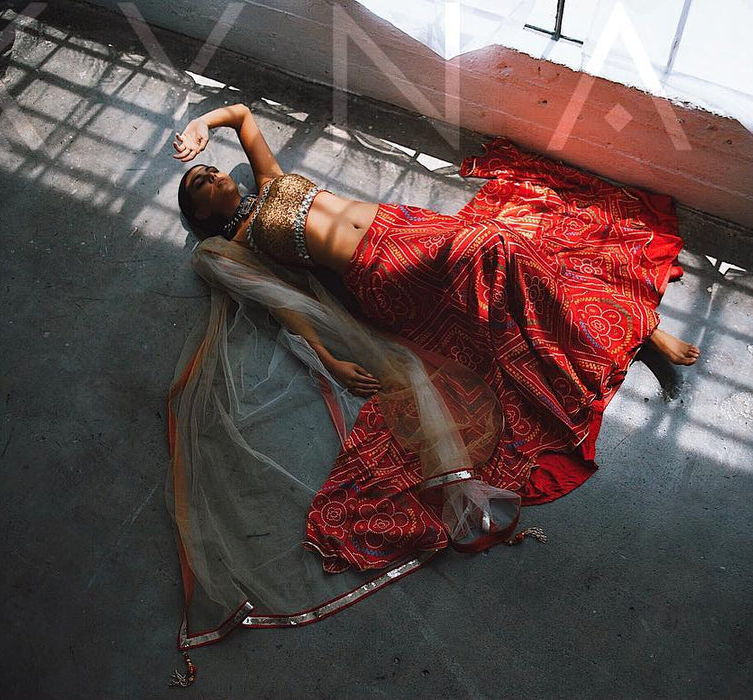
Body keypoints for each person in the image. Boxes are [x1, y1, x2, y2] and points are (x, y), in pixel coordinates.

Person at [165, 103, 699, 652]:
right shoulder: (240, 246)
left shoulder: (270, 179)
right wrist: (328, 355)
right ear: (202, 215)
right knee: (499, 245)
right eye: (199, 184)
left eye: (206, 168)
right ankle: (635, 331)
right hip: (382, 273)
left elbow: (244, 116)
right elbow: (288, 306)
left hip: (401, 226)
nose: (209, 173)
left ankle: (627, 329)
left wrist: (204, 124)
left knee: (504, 244)